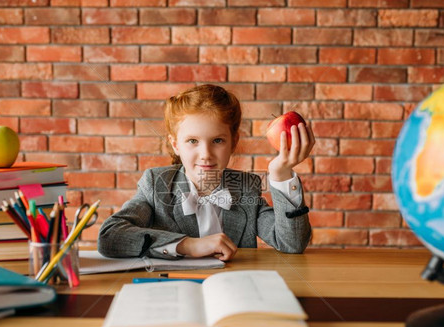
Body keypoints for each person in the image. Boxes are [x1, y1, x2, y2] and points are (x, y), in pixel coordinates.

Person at [98, 84, 315, 261]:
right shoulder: (157, 184)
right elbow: (110, 236)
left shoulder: (246, 188)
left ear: (233, 142)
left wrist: (281, 174)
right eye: (192, 141)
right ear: (175, 144)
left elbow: (291, 244)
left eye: (217, 140)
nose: (206, 154)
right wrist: (187, 245)